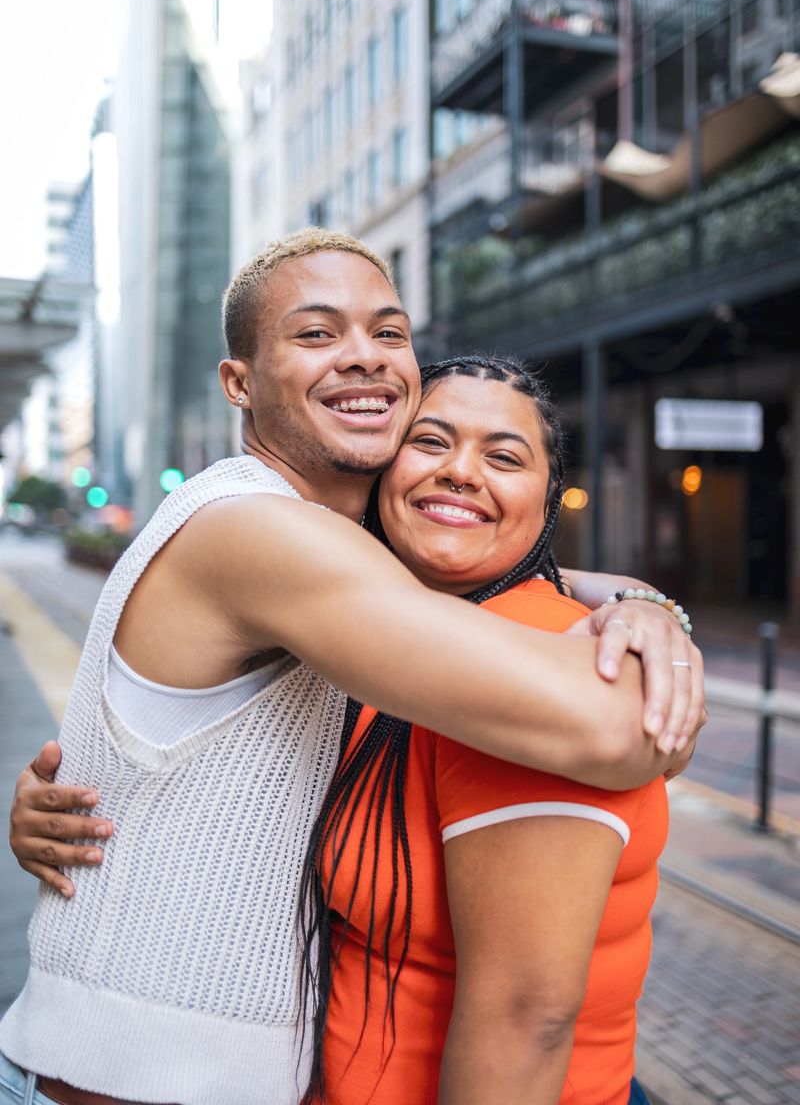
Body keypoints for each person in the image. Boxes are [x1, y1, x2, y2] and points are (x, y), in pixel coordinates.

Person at [2, 230, 701, 1105]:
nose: (363, 359)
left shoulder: (346, 551)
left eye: (389, 332)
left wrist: (644, 604)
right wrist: (655, 658)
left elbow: (474, 556)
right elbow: (614, 726)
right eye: (317, 334)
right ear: (240, 384)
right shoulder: (259, 531)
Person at [300, 356, 678, 1105]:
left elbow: (525, 1017)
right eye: (431, 442)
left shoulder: (545, 659)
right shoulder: (381, 642)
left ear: (546, 500)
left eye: (503, 457)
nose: (461, 472)